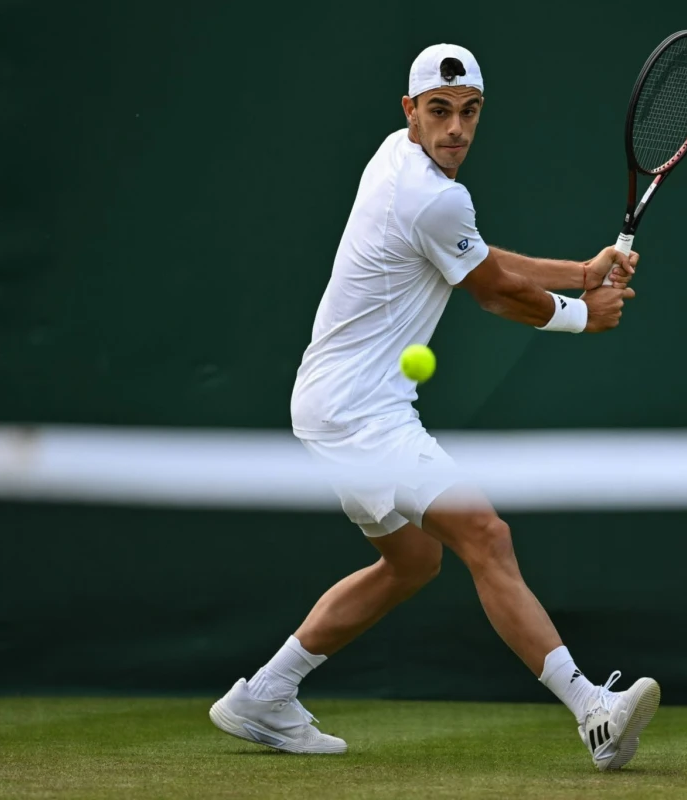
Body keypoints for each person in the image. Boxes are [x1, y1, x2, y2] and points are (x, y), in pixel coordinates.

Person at [210, 43, 656, 771]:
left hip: (337, 402)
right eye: (440, 111)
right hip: (360, 412)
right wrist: (583, 314)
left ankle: (264, 695)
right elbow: (492, 291)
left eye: (470, 112)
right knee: (486, 533)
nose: (456, 128)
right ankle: (592, 711)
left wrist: (581, 271)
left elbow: (477, 256)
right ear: (410, 111)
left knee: (412, 563)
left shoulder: (402, 161)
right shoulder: (432, 194)